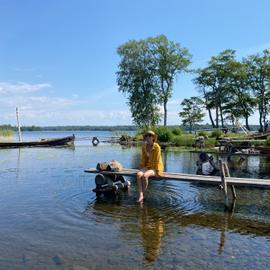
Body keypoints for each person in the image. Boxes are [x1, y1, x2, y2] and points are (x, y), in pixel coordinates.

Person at [137, 130, 163, 203]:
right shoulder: (144, 146)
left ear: (153, 137)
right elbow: (143, 158)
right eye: (146, 136)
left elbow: (157, 160)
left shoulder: (156, 147)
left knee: (145, 176)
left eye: (150, 136)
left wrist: (157, 172)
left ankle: (143, 195)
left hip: (155, 167)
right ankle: (141, 195)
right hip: (148, 166)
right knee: (138, 174)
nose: (148, 137)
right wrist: (141, 167)